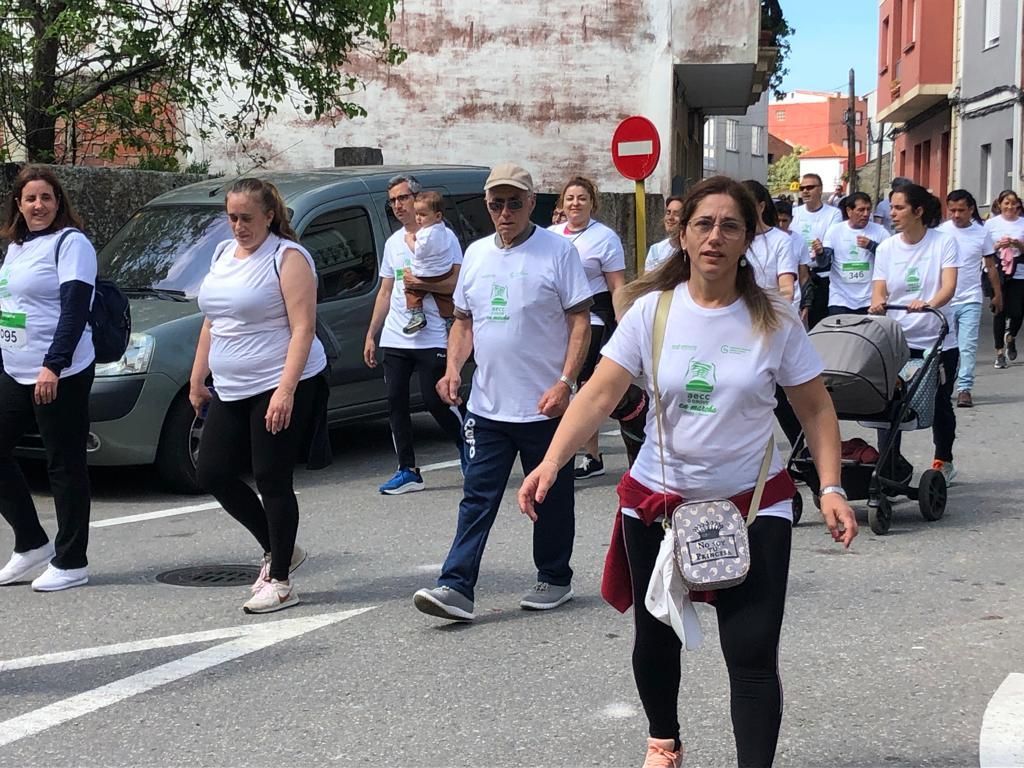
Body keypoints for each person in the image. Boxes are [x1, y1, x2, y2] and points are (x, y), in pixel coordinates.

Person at [517, 175, 856, 768]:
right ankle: (663, 741)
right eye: (704, 224)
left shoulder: (775, 318)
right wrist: (550, 463)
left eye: (731, 226)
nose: (716, 237)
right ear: (683, 232)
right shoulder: (652, 311)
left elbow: (815, 406)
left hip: (753, 505)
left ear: (749, 236)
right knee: (655, 637)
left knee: (751, 652)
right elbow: (598, 396)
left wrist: (830, 487)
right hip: (658, 502)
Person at [412, 163, 592, 622]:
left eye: (515, 202)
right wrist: (453, 368)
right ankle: (456, 587)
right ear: (487, 206)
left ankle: (554, 577)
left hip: (544, 406)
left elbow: (579, 322)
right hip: (487, 406)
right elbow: (464, 320)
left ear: (532, 203)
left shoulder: (558, 252)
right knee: (477, 494)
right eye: (497, 203)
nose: (505, 211)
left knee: (550, 498)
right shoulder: (475, 255)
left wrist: (566, 382)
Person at [190, 178, 329, 614]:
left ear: (269, 215)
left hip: (281, 380)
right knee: (212, 472)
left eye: (247, 217)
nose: (238, 226)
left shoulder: (287, 258)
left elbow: (303, 327)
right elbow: (213, 321)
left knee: (271, 478)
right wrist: (198, 378)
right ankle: (278, 547)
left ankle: (283, 581)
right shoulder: (221, 255)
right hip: (231, 386)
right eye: (231, 217)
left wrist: (286, 391)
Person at [0, 165, 96, 592]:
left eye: (47, 198)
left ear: (59, 202)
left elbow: (74, 310)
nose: (39, 206)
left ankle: (72, 559)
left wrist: (53, 365)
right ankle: (31, 542)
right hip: (16, 369)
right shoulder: (17, 247)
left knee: (64, 463)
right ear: (18, 206)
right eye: (30, 199)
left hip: (60, 372)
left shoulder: (71, 243)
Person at [364, 175, 466, 495]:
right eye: (392, 201)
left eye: (402, 198)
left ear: (418, 199)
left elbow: (455, 285)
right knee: (395, 402)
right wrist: (372, 333)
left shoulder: (442, 236)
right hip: (396, 335)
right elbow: (385, 290)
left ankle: (468, 449)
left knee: (436, 401)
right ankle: (407, 470)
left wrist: (423, 286)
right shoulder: (394, 242)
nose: (398, 206)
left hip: (432, 334)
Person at [870, 183, 960, 484]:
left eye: (899, 208)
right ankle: (889, 466)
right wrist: (878, 303)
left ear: (918, 211)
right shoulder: (886, 247)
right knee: (888, 403)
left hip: (937, 339)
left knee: (939, 402)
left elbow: (948, 286)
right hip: (898, 342)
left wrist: (929, 304)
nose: (892, 214)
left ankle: (943, 459)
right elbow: (879, 288)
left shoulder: (942, 243)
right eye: (891, 208)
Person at [547, 176, 626, 480]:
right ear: (562, 203)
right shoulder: (550, 235)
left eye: (582, 198)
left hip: (589, 320)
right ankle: (587, 454)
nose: (575, 203)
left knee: (578, 388)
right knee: (558, 386)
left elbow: (617, 285)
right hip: (553, 322)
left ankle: (579, 455)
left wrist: (622, 326)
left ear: (593, 203)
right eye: (569, 198)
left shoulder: (604, 238)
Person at [939, 190, 1003, 407]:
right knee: (944, 346)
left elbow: (990, 266)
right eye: (952, 210)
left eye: (961, 210)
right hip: (944, 299)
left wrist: (997, 294)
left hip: (970, 297)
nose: (956, 215)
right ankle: (942, 385)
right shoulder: (941, 232)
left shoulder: (981, 233)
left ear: (971, 210)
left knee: (967, 345)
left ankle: (965, 388)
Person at [401, 191, 460, 334]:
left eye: (422, 215)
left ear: (438, 216)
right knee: (444, 298)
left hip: (426, 273)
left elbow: (419, 250)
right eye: (416, 214)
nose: (418, 218)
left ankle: (417, 314)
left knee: (411, 289)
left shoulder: (426, 233)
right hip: (444, 272)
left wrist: (409, 240)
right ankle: (450, 320)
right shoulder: (443, 230)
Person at [823, 192, 890, 315]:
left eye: (868, 209)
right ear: (849, 211)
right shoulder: (834, 231)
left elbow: (890, 259)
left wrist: (872, 246)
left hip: (870, 299)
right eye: (861, 210)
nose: (865, 214)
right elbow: (824, 263)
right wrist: (820, 253)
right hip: (840, 298)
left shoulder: (880, 232)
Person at [792, 173, 842, 328]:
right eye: (802, 188)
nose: (805, 191)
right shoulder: (794, 212)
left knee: (819, 323)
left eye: (810, 187)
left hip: (821, 275)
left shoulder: (833, 213)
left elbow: (829, 243)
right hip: (799, 274)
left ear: (820, 190)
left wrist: (820, 251)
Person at [984, 189, 1024, 369]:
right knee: (999, 310)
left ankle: (1011, 336)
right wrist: (997, 245)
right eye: (1006, 203)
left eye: (1013, 203)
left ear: (1018, 205)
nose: (1010, 207)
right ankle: (999, 352)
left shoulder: (1022, 223)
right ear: (999, 205)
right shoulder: (991, 224)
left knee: (1017, 311)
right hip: (998, 270)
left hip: (1019, 270)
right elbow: (984, 249)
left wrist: (1016, 243)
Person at [644, 196, 684, 272]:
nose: (670, 217)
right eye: (668, 213)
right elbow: (648, 281)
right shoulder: (656, 251)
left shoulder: (693, 251)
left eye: (676, 214)